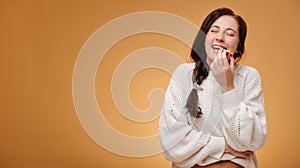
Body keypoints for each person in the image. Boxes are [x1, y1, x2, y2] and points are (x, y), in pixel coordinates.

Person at [158, 7, 267, 168]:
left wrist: (228, 87)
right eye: (214, 31)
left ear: (238, 47)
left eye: (230, 34)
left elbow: (252, 140)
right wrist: (224, 146)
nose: (220, 38)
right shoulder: (184, 74)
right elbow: (172, 143)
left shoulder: (248, 76)